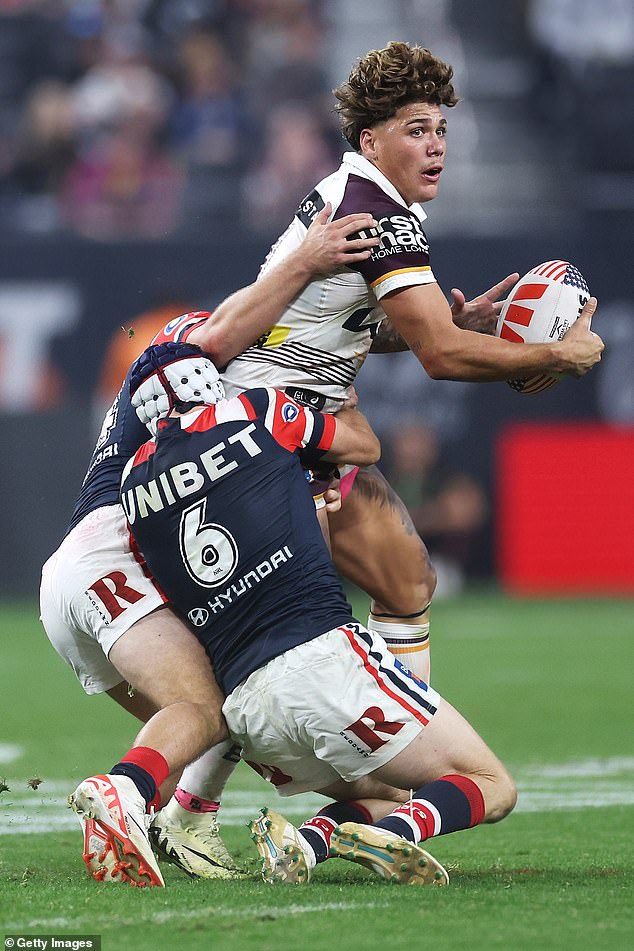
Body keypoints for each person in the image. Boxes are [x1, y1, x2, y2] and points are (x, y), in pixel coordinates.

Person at [181, 40, 604, 691]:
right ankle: (175, 785)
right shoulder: (378, 215)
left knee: (407, 578)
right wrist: (556, 353)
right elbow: (441, 356)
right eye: (416, 130)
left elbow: (350, 327)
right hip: (267, 439)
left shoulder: (361, 195)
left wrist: (450, 324)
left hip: (298, 429)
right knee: (283, 653)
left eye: (440, 129)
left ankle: (390, 769)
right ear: (371, 141)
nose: (436, 145)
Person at [39, 207, 379, 885]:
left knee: (211, 721)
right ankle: (124, 795)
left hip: (76, 574)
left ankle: (174, 813)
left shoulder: (159, 370)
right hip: (110, 555)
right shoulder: (196, 348)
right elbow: (350, 438)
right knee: (203, 708)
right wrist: (308, 263)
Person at [121, 341, 517, 888]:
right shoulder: (254, 408)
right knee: (491, 785)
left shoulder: (131, 486)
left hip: (247, 712)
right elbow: (364, 447)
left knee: (387, 790)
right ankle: (398, 833)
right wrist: (343, 400)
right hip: (323, 663)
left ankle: (308, 843)